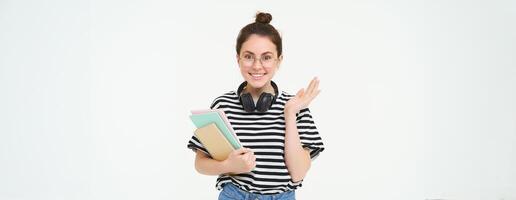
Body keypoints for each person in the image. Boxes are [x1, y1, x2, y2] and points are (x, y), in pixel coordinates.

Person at [187, 12, 325, 200]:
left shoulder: (295, 107)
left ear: (279, 60)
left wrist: (290, 114)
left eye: (267, 57)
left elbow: (299, 173)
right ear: (238, 59)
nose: (257, 66)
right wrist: (229, 166)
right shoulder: (222, 105)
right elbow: (200, 163)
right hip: (234, 195)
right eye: (249, 56)